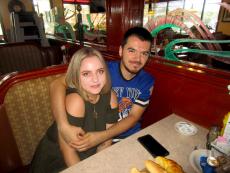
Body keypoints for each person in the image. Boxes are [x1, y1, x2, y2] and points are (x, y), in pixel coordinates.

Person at [50, 26, 155, 151]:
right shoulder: (101, 71)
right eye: (131, 50)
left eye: (144, 53)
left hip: (129, 137)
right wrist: (63, 125)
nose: (138, 59)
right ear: (121, 51)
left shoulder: (147, 81)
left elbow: (133, 117)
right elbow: (56, 84)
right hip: (98, 137)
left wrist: (101, 137)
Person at [29, 47, 119, 173]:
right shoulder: (76, 100)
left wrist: (98, 164)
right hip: (59, 158)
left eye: (100, 71)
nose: (95, 79)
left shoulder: (111, 97)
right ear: (76, 76)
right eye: (86, 73)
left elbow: (107, 139)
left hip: (88, 153)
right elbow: (68, 151)